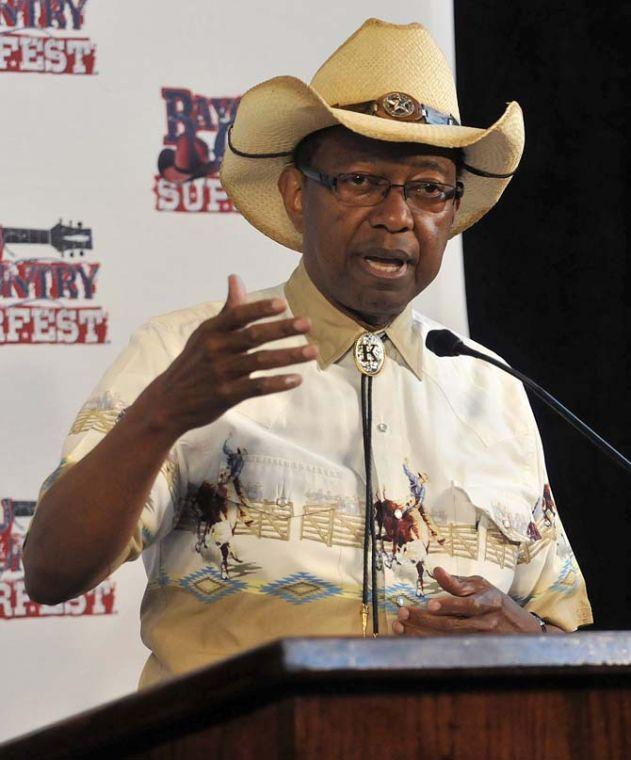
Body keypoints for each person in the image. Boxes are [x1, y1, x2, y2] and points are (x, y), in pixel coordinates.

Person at [24, 18, 592, 688]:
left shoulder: (492, 389)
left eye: (427, 188)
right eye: (359, 180)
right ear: (299, 196)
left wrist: (517, 638)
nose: (395, 215)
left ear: (452, 209)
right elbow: (53, 572)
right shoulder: (186, 354)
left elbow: (564, 636)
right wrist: (163, 414)